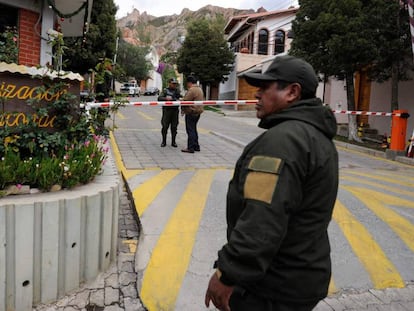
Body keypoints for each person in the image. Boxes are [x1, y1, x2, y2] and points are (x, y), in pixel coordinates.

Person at [204, 55, 339, 311]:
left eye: (265, 87)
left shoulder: (282, 142)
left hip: (272, 287)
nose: (257, 94)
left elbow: (261, 220)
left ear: (292, 92)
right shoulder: (316, 137)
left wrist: (227, 274)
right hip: (300, 277)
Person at [181, 76, 204, 153]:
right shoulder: (199, 89)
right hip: (198, 112)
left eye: (187, 83)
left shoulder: (192, 90)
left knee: (190, 130)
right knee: (194, 129)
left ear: (189, 82)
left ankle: (190, 147)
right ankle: (196, 146)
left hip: (191, 112)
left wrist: (181, 102)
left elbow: (186, 100)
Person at [158, 78, 181, 147]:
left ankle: (173, 142)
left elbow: (180, 98)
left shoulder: (177, 91)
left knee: (174, 127)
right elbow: (159, 98)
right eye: (173, 83)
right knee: (165, 126)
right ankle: (164, 141)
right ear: (169, 83)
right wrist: (166, 99)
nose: (174, 85)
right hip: (167, 111)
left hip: (175, 111)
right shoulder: (165, 90)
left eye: (175, 84)